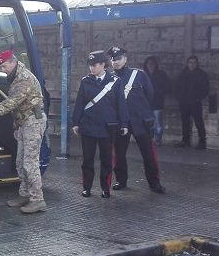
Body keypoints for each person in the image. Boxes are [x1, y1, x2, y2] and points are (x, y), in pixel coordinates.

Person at [0, 50, 47, 213]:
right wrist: (17, 126)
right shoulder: (15, 76)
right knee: (20, 162)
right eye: (1, 67)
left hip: (33, 123)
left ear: (13, 62)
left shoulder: (24, 79)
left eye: (5, 66)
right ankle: (24, 194)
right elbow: (20, 108)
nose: (3, 70)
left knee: (30, 163)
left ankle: (38, 200)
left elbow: (11, 103)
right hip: (24, 123)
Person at [71, 50, 129, 198]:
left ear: (103, 64)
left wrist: (124, 124)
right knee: (87, 159)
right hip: (89, 126)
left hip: (107, 127)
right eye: (90, 65)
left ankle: (105, 188)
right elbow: (80, 103)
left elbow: (121, 104)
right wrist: (76, 122)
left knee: (106, 159)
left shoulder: (115, 81)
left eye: (94, 65)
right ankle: (87, 188)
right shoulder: (86, 81)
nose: (91, 68)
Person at [108, 47, 166, 194]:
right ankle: (121, 180)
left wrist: (142, 112)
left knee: (148, 154)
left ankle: (154, 183)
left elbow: (150, 94)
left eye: (119, 58)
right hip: (122, 123)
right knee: (119, 154)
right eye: (113, 59)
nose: (116, 62)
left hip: (141, 121)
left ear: (125, 59)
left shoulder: (139, 74)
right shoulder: (109, 78)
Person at [173, 55, 210, 150]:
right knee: (185, 122)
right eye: (190, 62)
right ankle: (185, 140)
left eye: (194, 62)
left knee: (198, 122)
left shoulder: (202, 74)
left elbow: (206, 89)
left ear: (197, 64)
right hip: (184, 102)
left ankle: (202, 142)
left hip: (195, 102)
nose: (192, 64)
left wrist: (198, 98)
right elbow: (176, 86)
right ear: (187, 63)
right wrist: (179, 97)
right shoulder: (182, 74)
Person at [143, 55, 171, 145]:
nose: (150, 65)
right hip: (146, 103)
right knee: (148, 123)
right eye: (149, 63)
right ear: (146, 65)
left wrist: (158, 91)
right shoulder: (143, 75)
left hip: (157, 102)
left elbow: (167, 87)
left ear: (155, 64)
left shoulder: (161, 74)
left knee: (158, 123)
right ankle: (149, 139)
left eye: (152, 63)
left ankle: (157, 139)